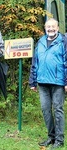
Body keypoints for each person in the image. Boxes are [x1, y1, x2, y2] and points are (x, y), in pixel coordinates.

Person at [29, 18, 67, 149]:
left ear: (57, 28)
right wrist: (32, 81)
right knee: (45, 110)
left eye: (53, 26)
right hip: (42, 82)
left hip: (58, 82)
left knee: (58, 110)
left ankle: (60, 140)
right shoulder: (40, 41)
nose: (50, 29)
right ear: (45, 28)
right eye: (48, 26)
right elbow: (35, 62)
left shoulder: (63, 41)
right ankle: (51, 137)